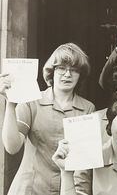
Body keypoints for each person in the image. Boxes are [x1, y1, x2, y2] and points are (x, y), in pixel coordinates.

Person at [1, 43, 95, 195]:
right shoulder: (32, 101)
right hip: (29, 190)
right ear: (52, 71)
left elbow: (83, 162)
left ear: (81, 74)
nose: (67, 74)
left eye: (74, 70)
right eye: (62, 68)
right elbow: (12, 147)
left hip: (66, 190)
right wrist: (11, 103)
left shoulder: (88, 109)